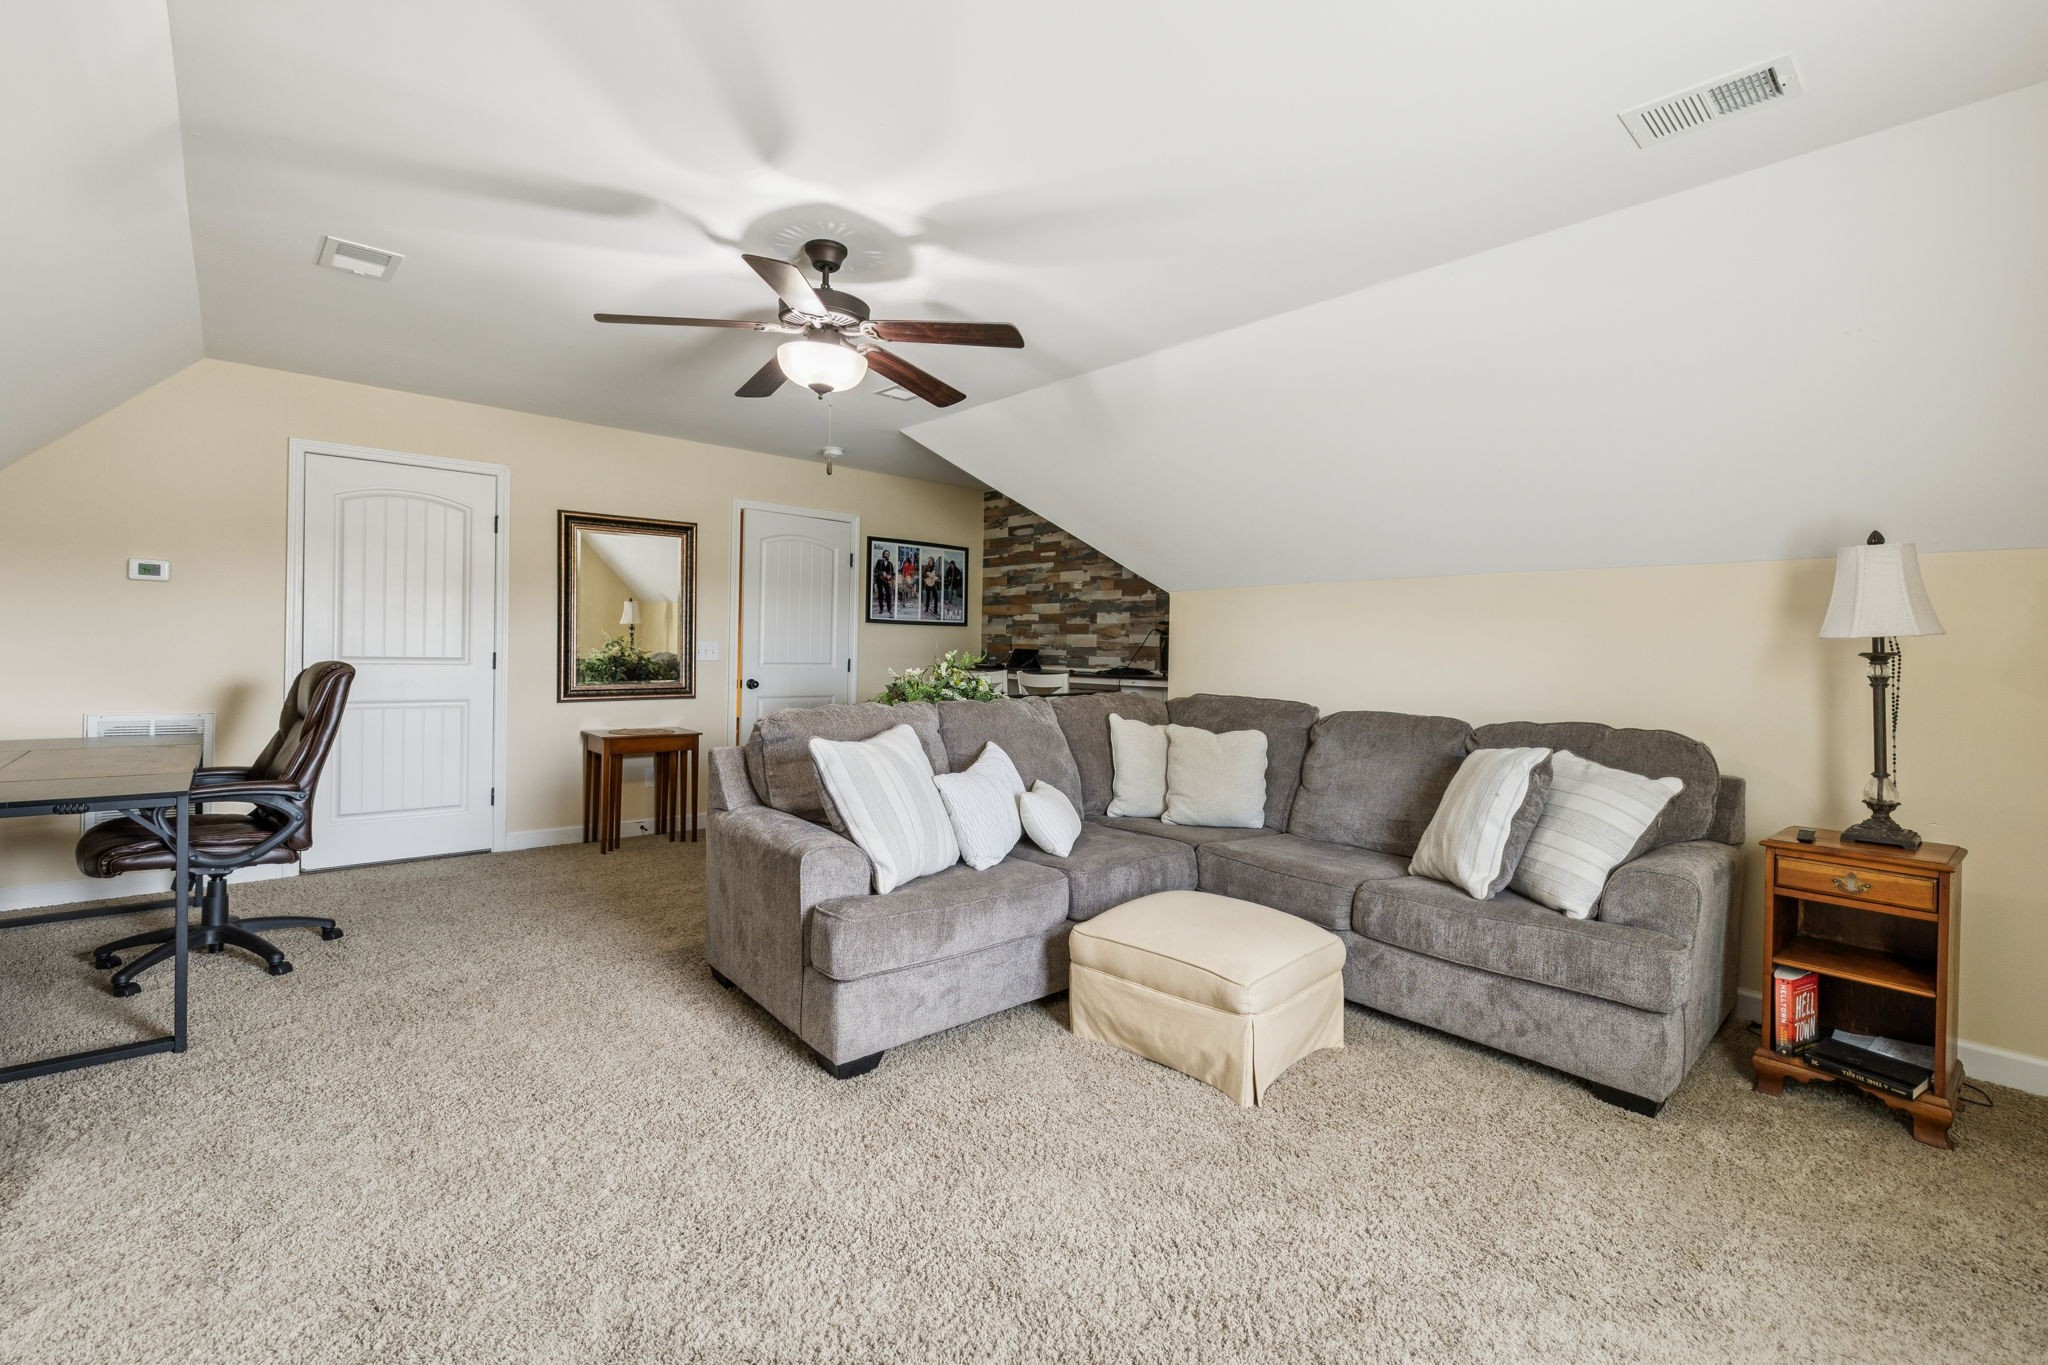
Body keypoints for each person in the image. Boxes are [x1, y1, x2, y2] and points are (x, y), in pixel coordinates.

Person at [872, 551, 894, 616]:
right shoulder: (879, 561)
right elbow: (876, 570)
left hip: (887, 581)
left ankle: (889, 609)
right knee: (880, 594)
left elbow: (892, 572)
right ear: (883, 554)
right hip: (880, 580)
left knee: (888, 595)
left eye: (888, 554)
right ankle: (881, 609)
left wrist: (890, 575)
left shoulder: (890, 563)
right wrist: (882, 572)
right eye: (886, 554)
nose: (887, 555)